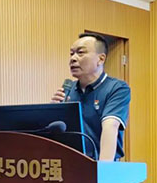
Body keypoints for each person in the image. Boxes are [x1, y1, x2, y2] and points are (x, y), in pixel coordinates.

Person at [51, 33, 130, 161]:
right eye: (71, 54)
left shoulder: (117, 88)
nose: (73, 58)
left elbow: (110, 126)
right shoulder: (68, 90)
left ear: (101, 59)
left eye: (80, 53)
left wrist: (103, 169)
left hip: (100, 163)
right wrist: (53, 111)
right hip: (71, 162)